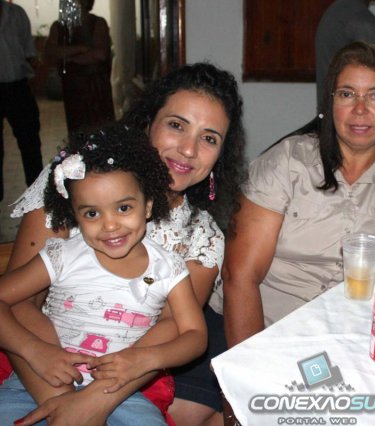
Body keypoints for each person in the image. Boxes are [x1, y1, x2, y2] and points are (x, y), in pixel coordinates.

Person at [4, 63, 246, 425]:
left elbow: (169, 331)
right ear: (147, 123)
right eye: (176, 125)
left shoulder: (203, 236)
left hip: (125, 385)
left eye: (209, 138)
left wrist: (90, 405)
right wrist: (62, 404)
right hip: (36, 366)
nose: (188, 149)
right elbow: (19, 303)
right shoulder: (76, 183)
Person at [221, 41, 375, 347]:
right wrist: (251, 366)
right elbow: (239, 276)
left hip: (360, 344)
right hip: (271, 334)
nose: (360, 109)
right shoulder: (286, 163)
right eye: (347, 94)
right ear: (329, 102)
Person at [0, 125, 208, 425]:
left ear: (147, 206)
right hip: (33, 386)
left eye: (123, 208)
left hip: (122, 396)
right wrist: (33, 350)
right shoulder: (63, 255)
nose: (110, 225)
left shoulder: (169, 268)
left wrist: (145, 358)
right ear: (74, 215)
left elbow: (195, 336)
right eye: (92, 213)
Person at [44, 0, 115, 134]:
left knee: (101, 128)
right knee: (77, 129)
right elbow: (51, 51)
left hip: (96, 87)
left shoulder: (98, 23)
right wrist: (81, 49)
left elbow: (100, 54)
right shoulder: (59, 26)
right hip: (72, 88)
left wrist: (69, 58)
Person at [0, 0, 44, 201]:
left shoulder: (16, 14)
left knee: (30, 143)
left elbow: (29, 53)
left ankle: (37, 197)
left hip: (18, 88)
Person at [315, 0, 375, 109]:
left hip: (332, 108)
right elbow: (368, 71)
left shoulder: (338, 9)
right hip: (352, 110)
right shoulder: (361, 18)